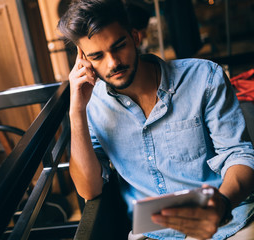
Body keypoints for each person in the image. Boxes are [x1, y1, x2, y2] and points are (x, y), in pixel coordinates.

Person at [57, 0, 254, 239]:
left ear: (135, 37)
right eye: (97, 56)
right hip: (154, 230)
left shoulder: (204, 77)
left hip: (227, 219)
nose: (113, 63)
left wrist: (221, 203)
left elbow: (239, 155)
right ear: (84, 60)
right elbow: (89, 189)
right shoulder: (92, 105)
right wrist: (75, 110)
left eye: (119, 46)